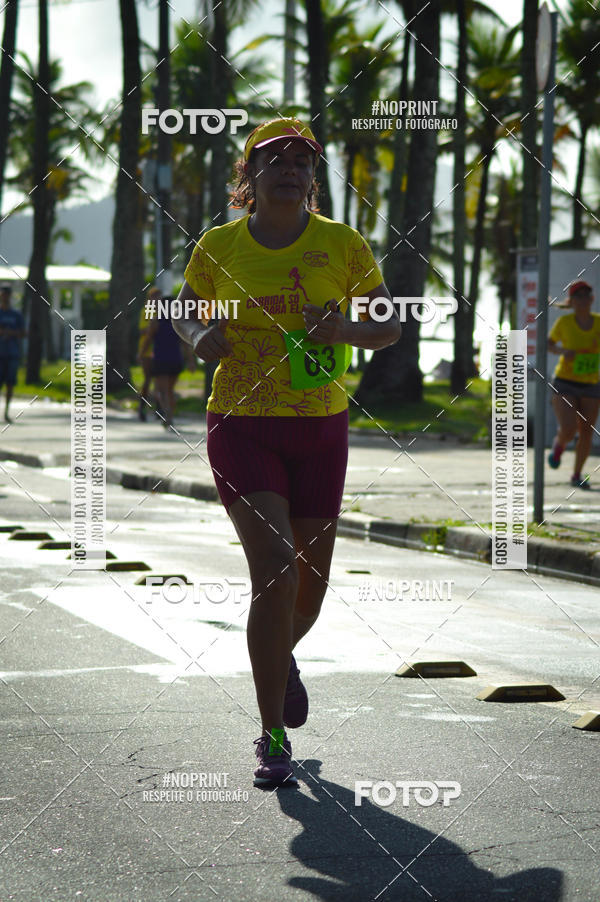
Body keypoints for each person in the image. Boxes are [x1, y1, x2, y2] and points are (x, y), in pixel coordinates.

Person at [172, 117, 401, 787]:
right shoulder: (219, 245)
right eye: (274, 159)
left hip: (321, 430)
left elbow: (387, 327)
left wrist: (346, 329)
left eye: (302, 159)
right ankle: (272, 735)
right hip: (241, 424)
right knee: (274, 568)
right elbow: (183, 309)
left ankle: (283, 658)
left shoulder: (342, 243)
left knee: (309, 593)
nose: (290, 168)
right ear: (249, 178)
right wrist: (196, 334)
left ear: (313, 178)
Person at [547, 280, 600, 489]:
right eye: (578, 296)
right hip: (565, 381)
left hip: (591, 383)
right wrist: (563, 352)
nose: (583, 300)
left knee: (587, 431)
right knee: (569, 429)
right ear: (572, 301)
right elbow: (549, 344)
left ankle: (577, 475)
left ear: (592, 299)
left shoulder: (598, 322)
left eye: (586, 296)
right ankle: (559, 445)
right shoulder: (564, 323)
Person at [139, 294, 192, 430]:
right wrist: (191, 361)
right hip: (176, 359)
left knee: (160, 390)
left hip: (161, 359)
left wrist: (140, 354)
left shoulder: (156, 322)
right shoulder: (178, 322)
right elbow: (185, 344)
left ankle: (167, 413)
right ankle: (170, 415)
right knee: (169, 390)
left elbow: (148, 339)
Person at [0, 284, 25, 423]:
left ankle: (6, 412)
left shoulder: (16, 315)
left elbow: (23, 333)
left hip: (11, 354)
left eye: (7, 294)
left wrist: (10, 333)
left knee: (10, 384)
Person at [136, 286, 160, 421]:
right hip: (147, 351)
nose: (157, 300)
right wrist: (153, 327)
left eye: (159, 298)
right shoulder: (147, 311)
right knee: (148, 380)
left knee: (159, 381)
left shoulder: (161, 312)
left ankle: (159, 409)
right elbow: (142, 330)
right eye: (155, 297)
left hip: (158, 350)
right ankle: (142, 408)